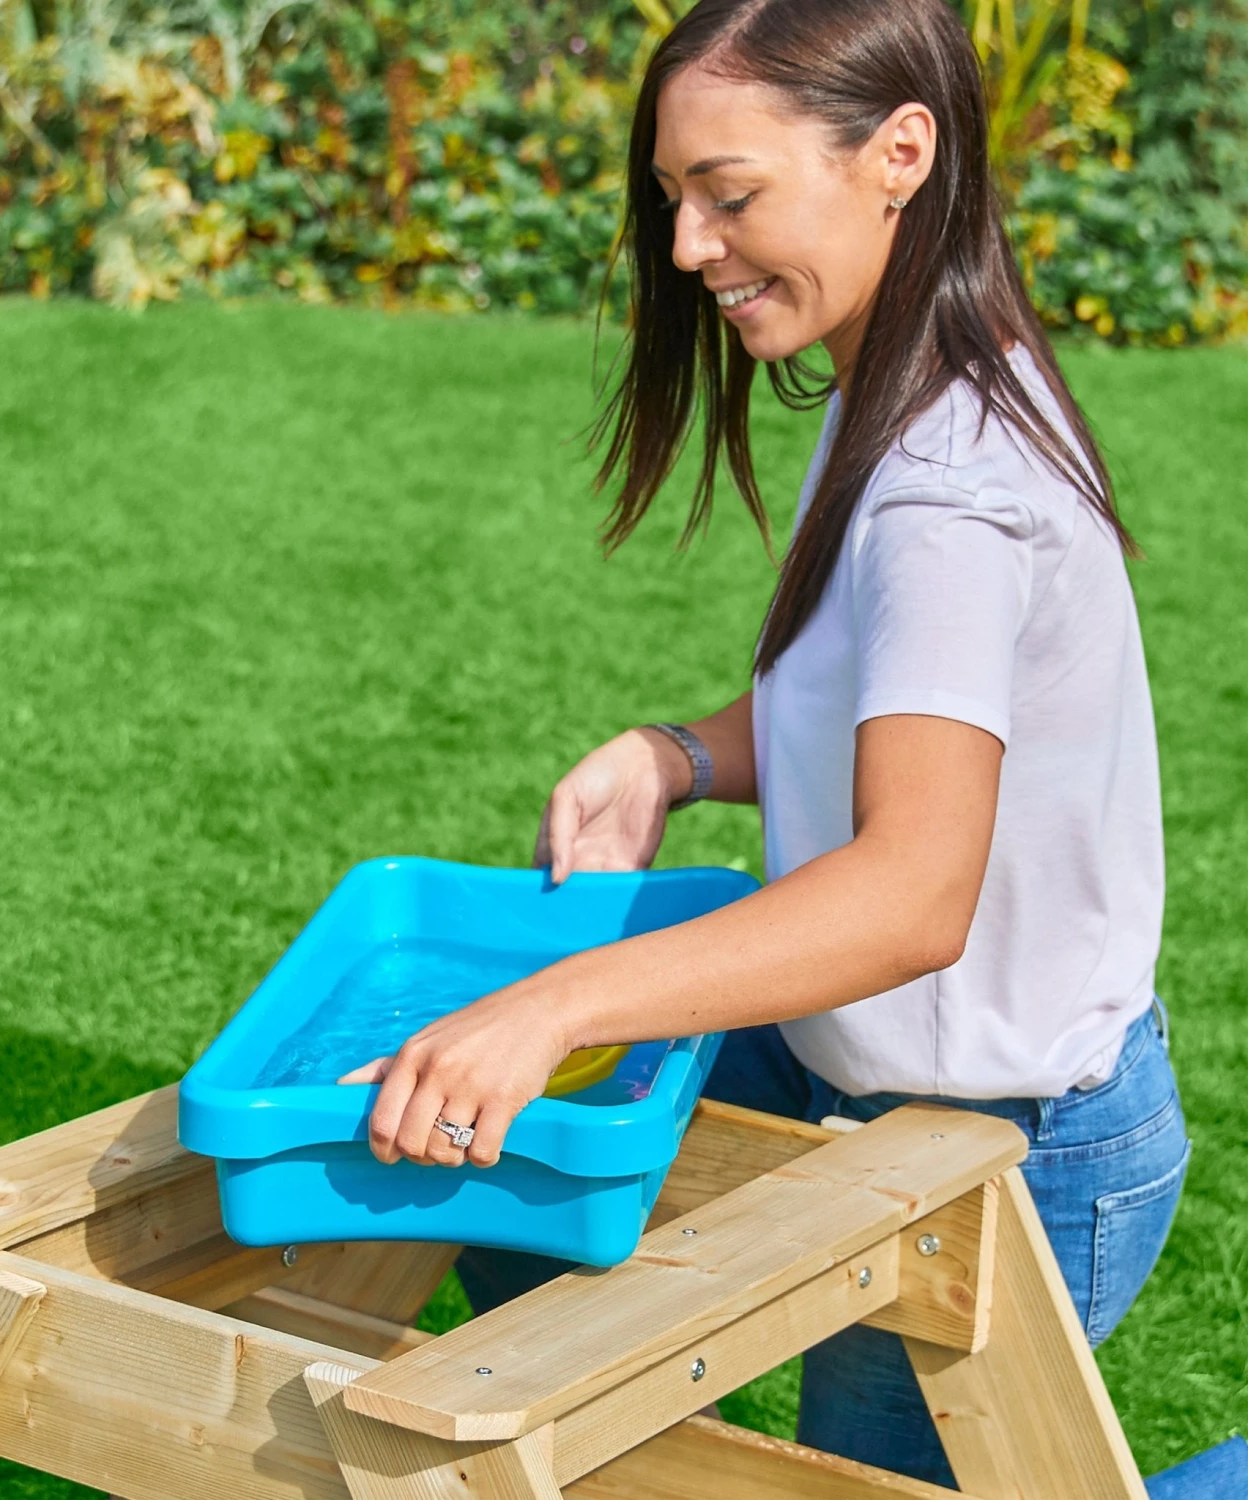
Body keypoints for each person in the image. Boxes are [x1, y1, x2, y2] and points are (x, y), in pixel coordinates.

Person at [339, 0, 1190, 1483]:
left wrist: (553, 1009)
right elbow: (883, 706)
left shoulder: (944, 489)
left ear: (898, 155)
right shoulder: (904, 368)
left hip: (1002, 1144)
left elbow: (912, 895)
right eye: (675, 201)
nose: (686, 249)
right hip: (850, 1066)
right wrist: (675, 753)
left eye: (729, 197)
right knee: (502, 1199)